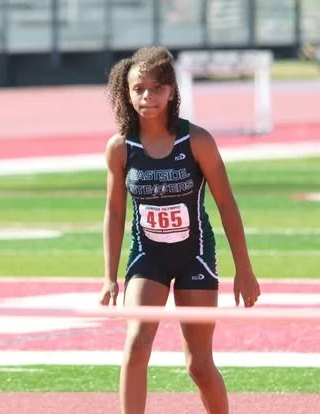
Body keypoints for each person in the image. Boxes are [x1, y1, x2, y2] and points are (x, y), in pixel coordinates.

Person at [99, 46, 261, 414]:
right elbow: (113, 210)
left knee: (199, 365)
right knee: (137, 346)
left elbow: (227, 205)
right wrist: (109, 276)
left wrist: (245, 271)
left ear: (172, 91)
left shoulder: (197, 141)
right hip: (147, 259)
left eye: (156, 88)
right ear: (126, 92)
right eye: (139, 89)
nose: (147, 97)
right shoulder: (121, 148)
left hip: (195, 258)